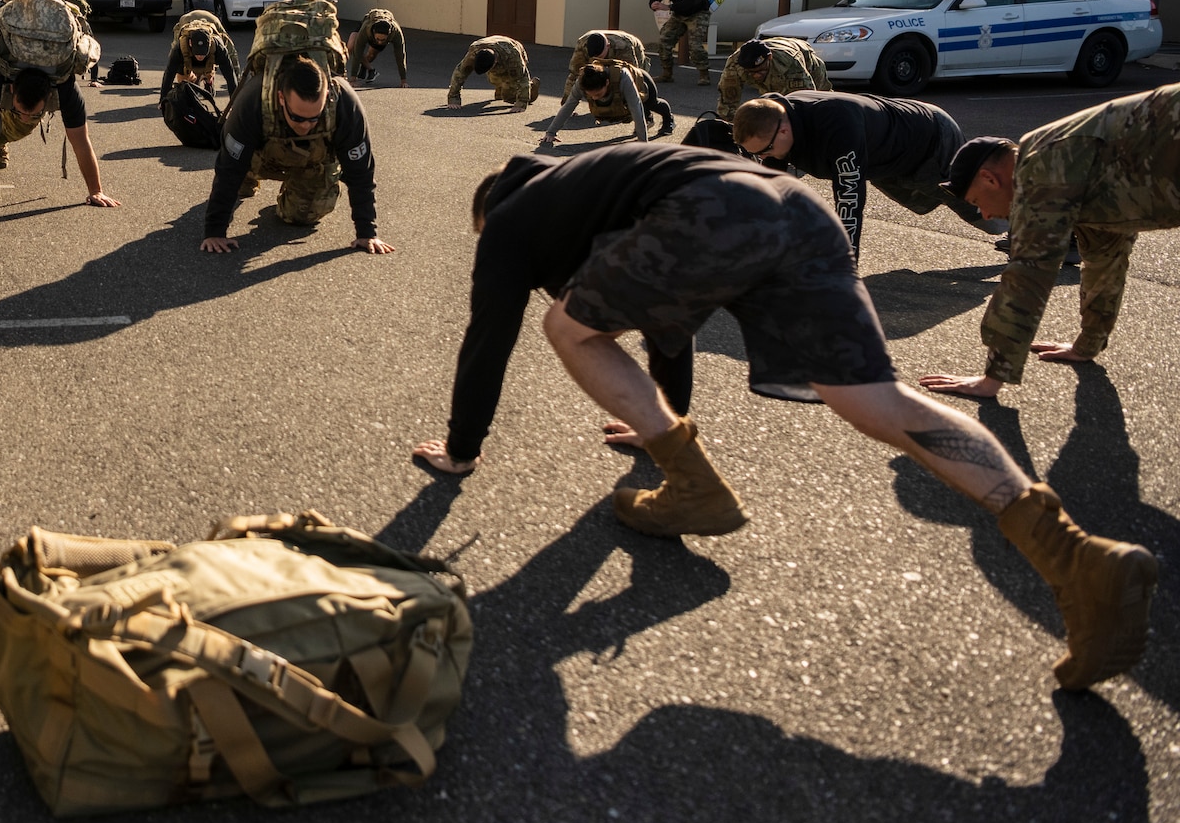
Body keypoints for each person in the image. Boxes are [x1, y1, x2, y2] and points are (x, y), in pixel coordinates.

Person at [412, 144, 1155, 691]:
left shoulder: (511, 218)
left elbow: (491, 332)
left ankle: (693, 482)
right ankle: (1074, 554)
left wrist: (461, 446)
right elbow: (669, 326)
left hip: (716, 215)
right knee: (874, 399)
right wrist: (657, 421)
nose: (494, 248)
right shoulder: (602, 182)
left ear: (490, 211)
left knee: (567, 328)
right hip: (801, 217)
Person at [920, 84, 1180, 403]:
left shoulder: (1042, 167)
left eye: (978, 201)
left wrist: (990, 380)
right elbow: (1104, 256)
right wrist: (1087, 344)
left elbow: (1029, 275)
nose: (986, 214)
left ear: (990, 179)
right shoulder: (1074, 174)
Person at [731, 91, 997, 264]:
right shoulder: (768, 116)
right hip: (885, 158)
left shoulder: (836, 124)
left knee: (972, 204)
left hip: (929, 139)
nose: (763, 159)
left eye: (765, 152)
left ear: (784, 130)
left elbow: (849, 197)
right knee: (920, 204)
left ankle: (1024, 232)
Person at [201, 53, 392, 255]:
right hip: (260, 156)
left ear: (326, 96)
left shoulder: (345, 104)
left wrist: (367, 231)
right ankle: (248, 179)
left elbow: (361, 171)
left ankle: (296, 189)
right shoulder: (253, 100)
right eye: (297, 117)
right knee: (237, 179)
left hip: (312, 162)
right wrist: (215, 230)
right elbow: (228, 168)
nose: (305, 126)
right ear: (281, 98)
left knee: (302, 217)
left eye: (313, 119)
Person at [0, 64, 118, 212]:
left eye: (32, 113)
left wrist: (96, 191)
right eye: (20, 110)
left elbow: (81, 144)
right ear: (11, 89)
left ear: (49, 97)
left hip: (29, 95)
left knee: (18, 126)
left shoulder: (66, 90)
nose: (25, 117)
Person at [540, 61, 673, 149]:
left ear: (607, 83)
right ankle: (648, 118)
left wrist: (642, 143)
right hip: (623, 98)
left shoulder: (622, 78)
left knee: (651, 104)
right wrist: (551, 132)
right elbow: (569, 105)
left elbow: (635, 107)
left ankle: (669, 119)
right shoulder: (582, 82)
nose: (594, 98)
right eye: (590, 95)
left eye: (597, 94)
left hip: (642, 84)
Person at [715, 36, 832, 120]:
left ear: (769, 58)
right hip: (776, 66)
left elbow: (805, 102)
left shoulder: (791, 64)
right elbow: (727, 102)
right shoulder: (734, 65)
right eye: (751, 72)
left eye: (760, 70)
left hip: (808, 62)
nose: (756, 75)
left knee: (821, 104)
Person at [650, 0, 718, 85]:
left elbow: (692, 1)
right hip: (678, 13)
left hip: (698, 11)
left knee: (695, 45)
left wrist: (668, 7)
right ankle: (667, 73)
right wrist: (654, 4)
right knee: (664, 40)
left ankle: (704, 74)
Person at [161, 12, 240, 103]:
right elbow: (169, 73)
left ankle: (208, 79)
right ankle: (190, 86)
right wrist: (163, 100)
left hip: (211, 19)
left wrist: (235, 101)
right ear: (190, 44)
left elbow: (230, 73)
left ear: (210, 44)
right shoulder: (180, 46)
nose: (200, 57)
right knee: (181, 71)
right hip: (187, 19)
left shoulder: (218, 46)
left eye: (203, 54)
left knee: (229, 55)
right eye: (198, 54)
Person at [445, 36, 539, 108]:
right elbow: (460, 73)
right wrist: (453, 98)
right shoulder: (474, 51)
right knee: (493, 79)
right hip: (494, 47)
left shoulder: (512, 55)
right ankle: (501, 88)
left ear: (495, 62)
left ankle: (533, 86)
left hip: (515, 48)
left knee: (509, 97)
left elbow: (522, 77)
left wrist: (521, 103)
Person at [344, 9, 407, 87]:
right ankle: (370, 69)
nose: (380, 42)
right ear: (374, 32)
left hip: (382, 33)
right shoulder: (365, 29)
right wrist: (353, 79)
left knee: (371, 56)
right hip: (366, 26)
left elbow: (400, 56)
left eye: (383, 40)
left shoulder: (396, 33)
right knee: (351, 46)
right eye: (378, 39)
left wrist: (403, 81)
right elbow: (358, 51)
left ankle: (366, 68)